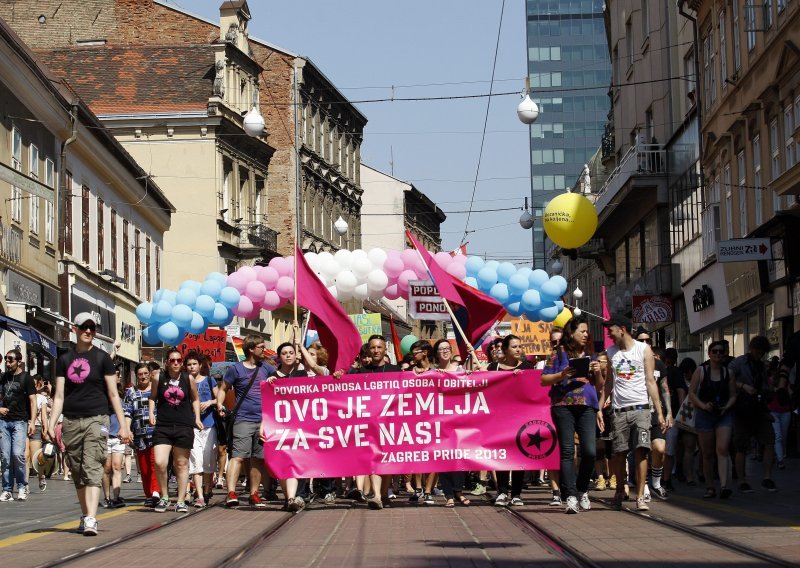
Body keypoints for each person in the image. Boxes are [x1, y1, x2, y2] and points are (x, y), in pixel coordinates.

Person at [47, 313, 132, 536]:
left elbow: (114, 394)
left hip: (98, 419)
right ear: (75, 329)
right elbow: (58, 396)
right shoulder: (64, 359)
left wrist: (123, 425)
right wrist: (50, 422)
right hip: (72, 421)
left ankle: (92, 518)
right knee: (77, 470)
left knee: (92, 466)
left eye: (92, 328)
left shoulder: (102, 358)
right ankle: (86, 515)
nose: (88, 331)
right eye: (84, 327)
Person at [597, 315, 666, 512]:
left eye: (611, 328)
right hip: (619, 411)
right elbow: (609, 382)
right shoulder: (611, 352)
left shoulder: (643, 349)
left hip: (641, 409)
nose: (609, 332)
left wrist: (659, 413)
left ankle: (641, 495)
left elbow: (651, 382)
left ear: (623, 329)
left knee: (641, 451)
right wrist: (600, 408)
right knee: (618, 453)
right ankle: (619, 490)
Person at [541, 316, 601, 514]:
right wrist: (562, 375)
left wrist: (599, 372)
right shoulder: (558, 354)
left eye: (587, 332)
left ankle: (582, 489)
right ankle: (570, 496)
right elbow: (544, 380)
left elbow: (599, 384)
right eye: (582, 331)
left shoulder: (591, 355)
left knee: (590, 451)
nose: (586, 335)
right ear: (571, 333)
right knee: (567, 451)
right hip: (563, 405)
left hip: (587, 406)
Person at [216, 335, 275, 508]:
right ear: (251, 349)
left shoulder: (267, 368)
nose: (264, 349)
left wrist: (274, 380)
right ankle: (231, 493)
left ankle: (254, 494)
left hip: (264, 420)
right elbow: (223, 388)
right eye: (261, 347)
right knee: (238, 456)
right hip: (243, 419)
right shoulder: (236, 369)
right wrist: (219, 403)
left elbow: (282, 381)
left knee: (258, 458)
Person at [346, 335, 401, 509]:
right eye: (373, 348)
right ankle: (377, 495)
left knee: (387, 463)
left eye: (379, 347)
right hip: (369, 426)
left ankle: (383, 494)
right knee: (374, 460)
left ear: (385, 350)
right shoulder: (360, 372)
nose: (376, 351)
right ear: (368, 350)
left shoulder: (395, 370)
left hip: (390, 424)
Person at [148, 349, 202, 513]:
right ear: (167, 362)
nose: (176, 363)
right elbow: (152, 397)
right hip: (163, 426)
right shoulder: (159, 377)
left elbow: (195, 399)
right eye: (172, 360)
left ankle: (180, 500)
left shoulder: (188, 378)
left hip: (183, 425)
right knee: (160, 462)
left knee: (181, 463)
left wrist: (197, 418)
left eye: (179, 360)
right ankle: (164, 497)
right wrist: (151, 412)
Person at [487, 334, 536, 507]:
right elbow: (484, 387)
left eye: (519, 346)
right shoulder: (493, 367)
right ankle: (501, 491)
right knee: (502, 455)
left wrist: (523, 378)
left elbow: (534, 391)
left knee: (518, 456)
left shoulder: (528, 367)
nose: (518, 350)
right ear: (505, 350)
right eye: (514, 347)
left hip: (520, 419)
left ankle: (516, 493)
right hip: (499, 419)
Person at [688, 341, 737, 499]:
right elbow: (692, 393)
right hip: (705, 415)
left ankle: (723, 486)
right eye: (714, 351)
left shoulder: (728, 373)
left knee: (722, 449)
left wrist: (726, 406)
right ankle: (710, 486)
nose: (717, 354)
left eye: (721, 352)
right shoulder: (701, 371)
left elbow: (733, 395)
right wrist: (703, 406)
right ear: (709, 354)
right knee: (707, 453)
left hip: (723, 414)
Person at [728, 335, 777, 493]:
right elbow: (727, 378)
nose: (759, 355)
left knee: (769, 440)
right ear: (751, 349)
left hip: (759, 407)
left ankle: (767, 478)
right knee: (741, 446)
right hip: (743, 408)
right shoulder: (739, 363)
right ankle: (742, 480)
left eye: (762, 352)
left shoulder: (761, 366)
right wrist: (743, 386)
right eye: (757, 351)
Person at [267, 339, 309, 512]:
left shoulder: (302, 375)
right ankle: (289, 496)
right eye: (284, 353)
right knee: (283, 462)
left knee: (298, 460)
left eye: (291, 353)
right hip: (280, 426)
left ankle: (296, 496)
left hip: (300, 425)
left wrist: (300, 345)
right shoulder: (273, 378)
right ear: (279, 357)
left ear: (295, 355)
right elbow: (267, 405)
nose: (288, 356)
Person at [1, 349, 37, 502]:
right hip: (3, 421)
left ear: (19, 361)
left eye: (11, 359)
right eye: (6, 359)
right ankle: (7, 489)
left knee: (17, 455)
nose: (8, 362)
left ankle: (21, 486)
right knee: (5, 457)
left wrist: (33, 422)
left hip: (20, 421)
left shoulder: (26, 378)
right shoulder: (3, 378)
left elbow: (33, 401)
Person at [124, 362, 160, 506]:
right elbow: (127, 412)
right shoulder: (131, 392)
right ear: (136, 376)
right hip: (139, 434)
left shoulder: (156, 390)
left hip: (156, 433)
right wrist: (127, 429)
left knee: (154, 463)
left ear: (150, 374)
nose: (143, 377)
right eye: (140, 374)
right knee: (144, 468)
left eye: (146, 373)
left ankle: (156, 491)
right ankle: (149, 494)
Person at [186, 351, 218, 509]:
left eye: (194, 364)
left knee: (208, 461)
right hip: (191, 427)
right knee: (196, 461)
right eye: (189, 364)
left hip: (209, 425)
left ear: (200, 365)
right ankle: (199, 495)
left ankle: (207, 489)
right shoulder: (184, 382)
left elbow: (220, 398)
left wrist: (210, 402)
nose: (192, 367)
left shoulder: (210, 380)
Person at [661, 348, 684, 492]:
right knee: (665, 450)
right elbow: (681, 391)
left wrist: (679, 413)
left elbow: (681, 391)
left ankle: (665, 478)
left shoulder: (675, 372)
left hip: (671, 416)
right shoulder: (674, 371)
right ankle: (664, 478)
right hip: (667, 416)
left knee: (667, 450)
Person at [30, 377, 50, 492]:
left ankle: (41, 476)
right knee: (25, 456)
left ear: (37, 385)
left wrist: (45, 428)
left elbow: (44, 415)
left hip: (36, 427)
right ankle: (25, 485)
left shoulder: (41, 398)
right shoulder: (24, 396)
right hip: (24, 426)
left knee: (37, 457)